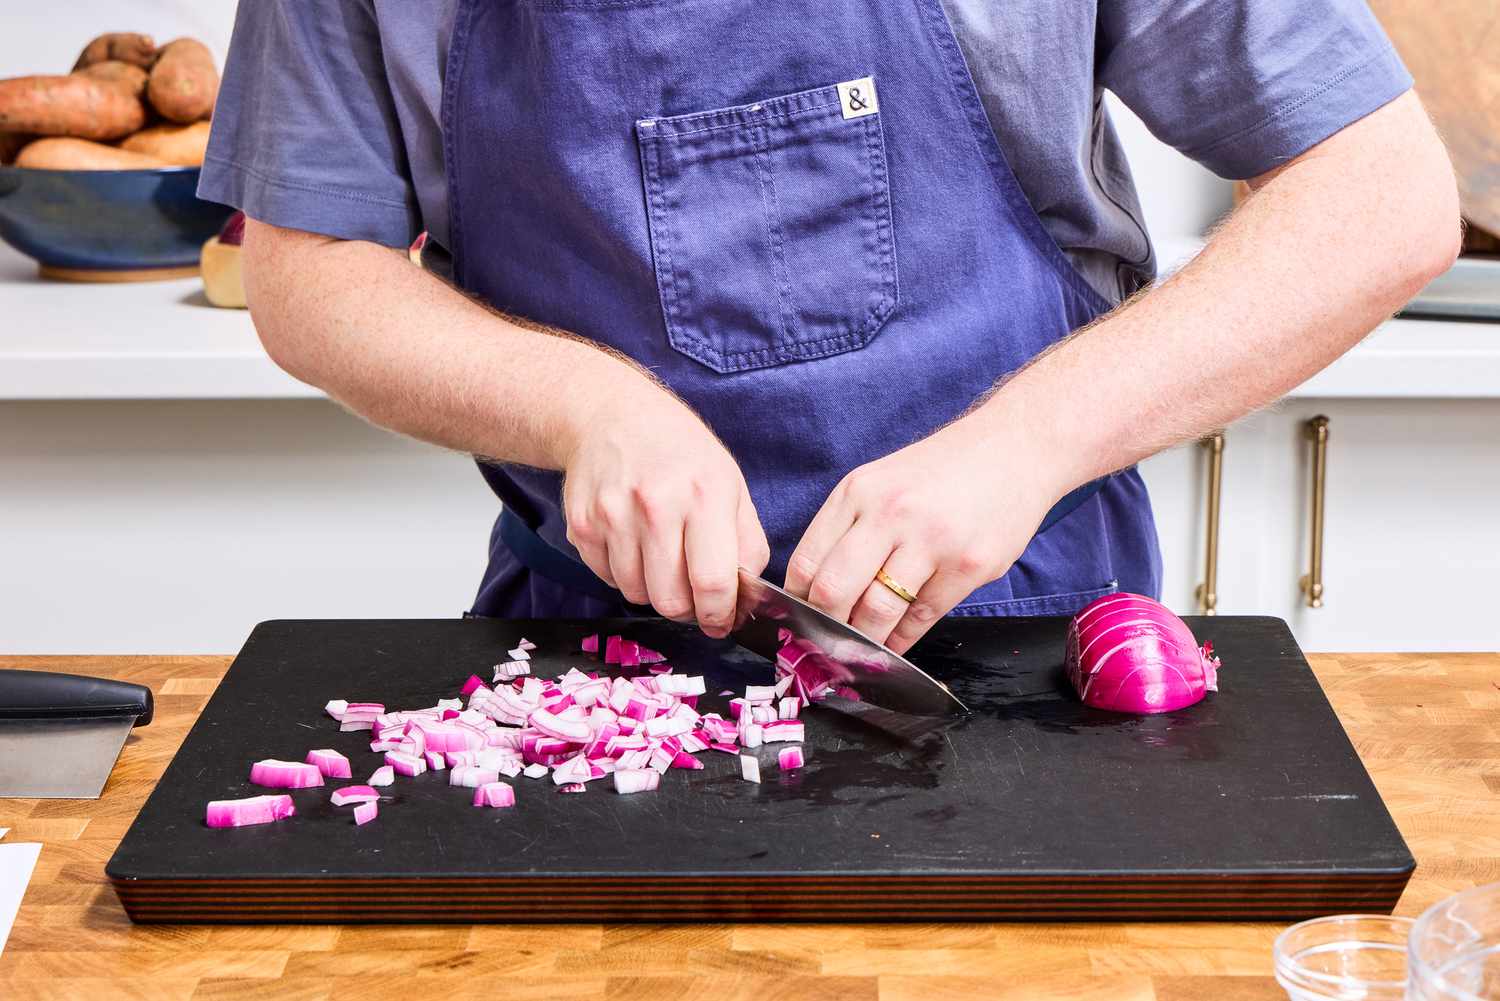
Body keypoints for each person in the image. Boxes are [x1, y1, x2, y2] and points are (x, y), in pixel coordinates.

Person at [205, 1, 1457, 654]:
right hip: (581, 653)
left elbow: (1382, 193)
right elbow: (310, 272)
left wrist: (1018, 448)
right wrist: (585, 407)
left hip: (1026, 643)